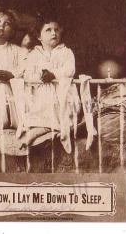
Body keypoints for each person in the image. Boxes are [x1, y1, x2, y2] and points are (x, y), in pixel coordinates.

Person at [21, 16, 81, 153]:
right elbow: (28, 74)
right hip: (42, 93)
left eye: (56, 30)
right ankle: (40, 130)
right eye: (48, 30)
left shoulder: (66, 52)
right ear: (39, 37)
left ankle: (53, 130)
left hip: (62, 91)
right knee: (41, 111)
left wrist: (53, 74)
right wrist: (40, 76)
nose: (54, 33)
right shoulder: (33, 55)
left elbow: (70, 69)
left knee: (64, 115)